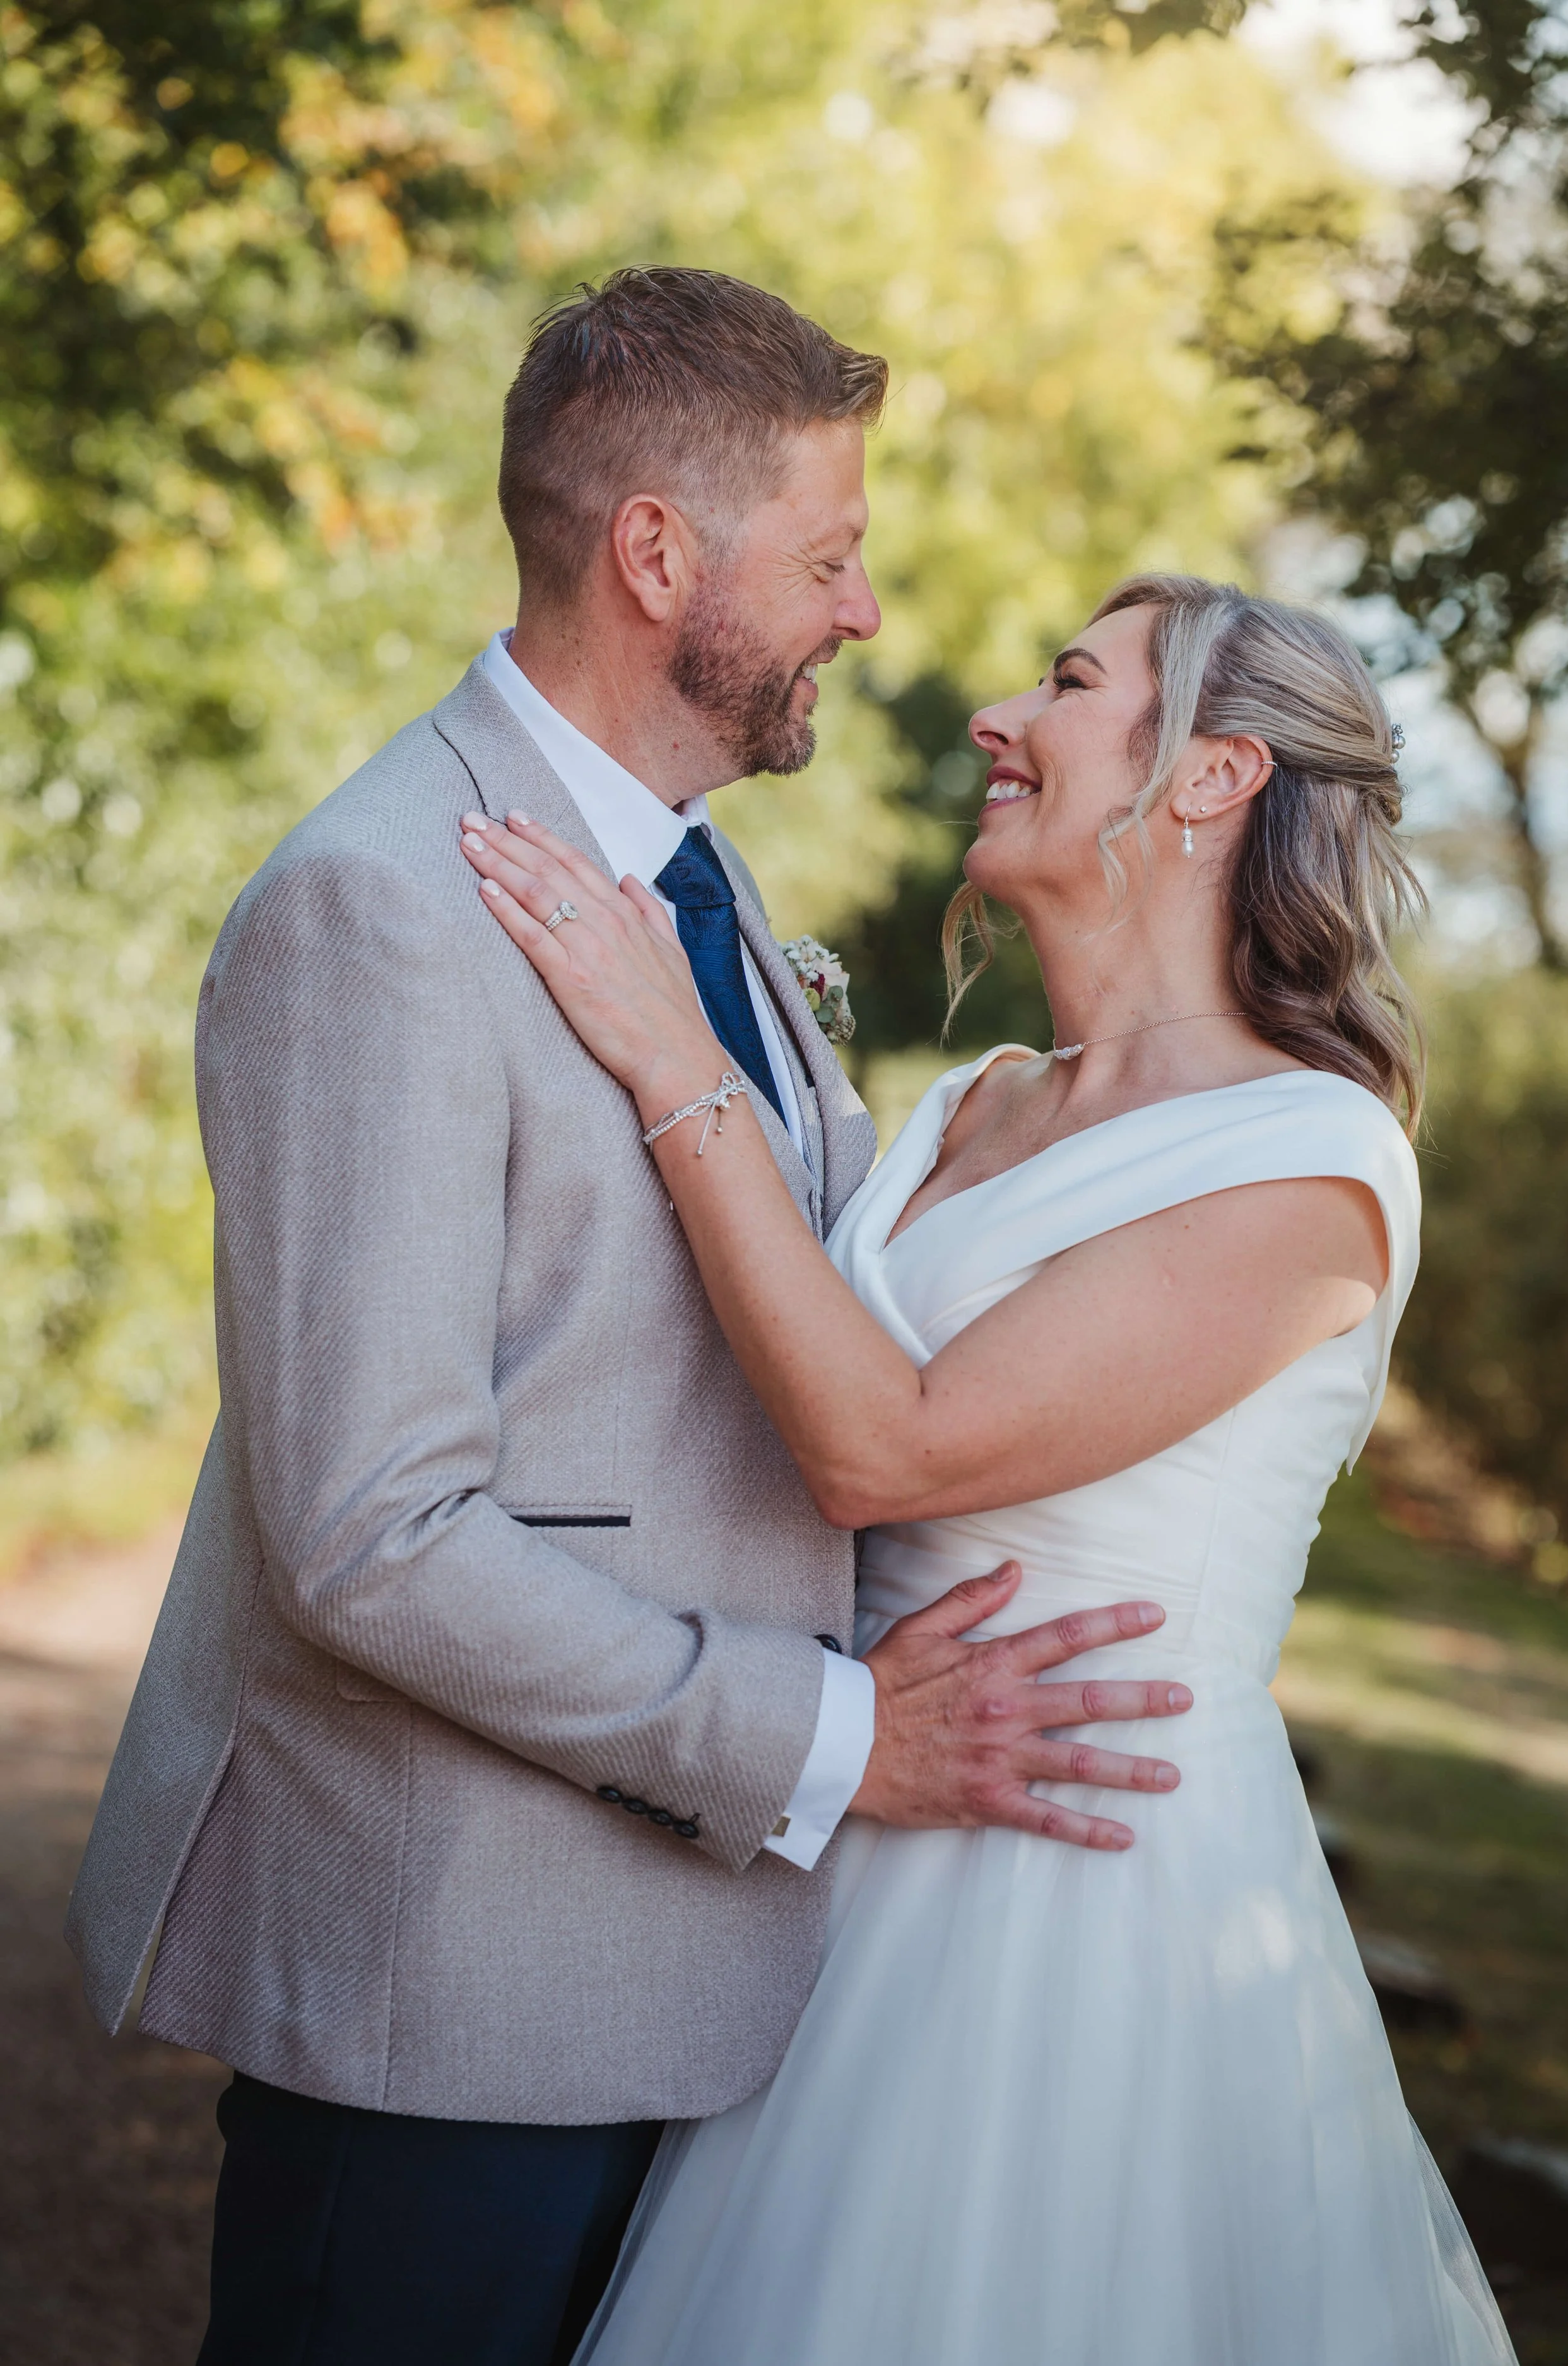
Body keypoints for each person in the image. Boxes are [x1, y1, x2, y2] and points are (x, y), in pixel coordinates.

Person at [64, 271, 1190, 2366]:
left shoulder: (705, 892)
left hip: (687, 1991)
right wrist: (845, 1736)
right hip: (445, 1995)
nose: (866, 616)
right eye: (832, 556)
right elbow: (368, 1536)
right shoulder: (380, 905)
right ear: (658, 555)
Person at [459, 572, 1518, 2365]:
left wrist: (672, 1057)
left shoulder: (1306, 1160)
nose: (994, 717)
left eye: (1070, 679)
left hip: (1077, 1901)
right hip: (833, 1827)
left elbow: (885, 1443)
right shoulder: (975, 1102)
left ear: (1208, 777)